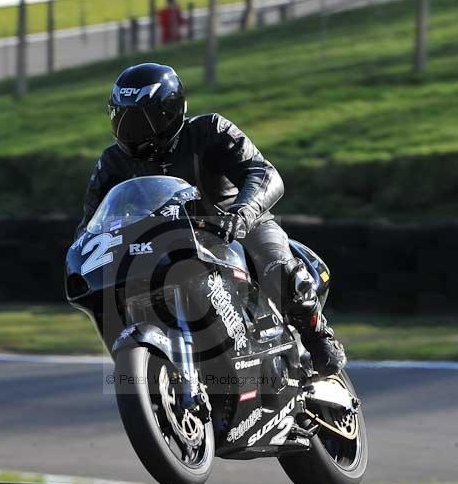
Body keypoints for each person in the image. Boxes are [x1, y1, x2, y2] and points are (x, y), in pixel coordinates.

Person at [76, 63, 346, 376]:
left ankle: (318, 337)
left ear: (170, 111)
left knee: (279, 268)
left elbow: (263, 173)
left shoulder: (210, 131)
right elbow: (91, 222)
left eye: (141, 120)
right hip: (163, 247)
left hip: (238, 229)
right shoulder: (113, 162)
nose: (131, 131)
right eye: (121, 119)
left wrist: (241, 213)